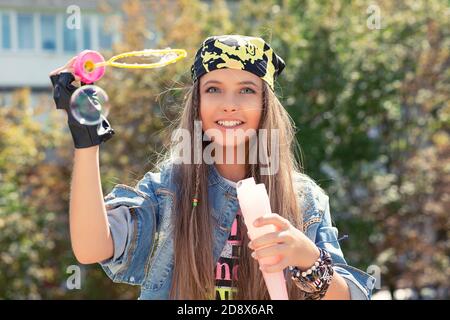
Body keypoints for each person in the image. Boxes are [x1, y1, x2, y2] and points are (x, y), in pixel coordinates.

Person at [49, 34, 375, 300]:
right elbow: (91, 247)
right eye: (213, 89)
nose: (229, 103)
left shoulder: (303, 199)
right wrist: (86, 143)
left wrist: (308, 259)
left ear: (265, 104)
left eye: (246, 90)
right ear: (198, 105)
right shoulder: (169, 189)